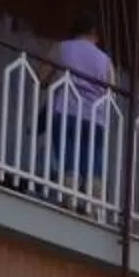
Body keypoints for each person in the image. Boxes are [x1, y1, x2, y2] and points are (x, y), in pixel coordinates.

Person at [49, 13, 116, 199]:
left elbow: (41, 76)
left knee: (68, 158)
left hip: (67, 111)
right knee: (92, 161)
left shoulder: (62, 48)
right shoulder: (106, 60)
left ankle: (68, 197)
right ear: (94, 33)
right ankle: (93, 202)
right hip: (95, 118)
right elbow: (112, 89)